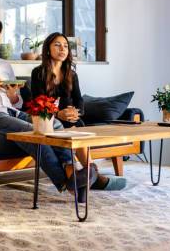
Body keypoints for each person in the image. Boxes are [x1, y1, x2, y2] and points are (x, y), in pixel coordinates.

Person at [0, 15, 96, 199]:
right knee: (34, 132)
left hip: (11, 112)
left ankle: (71, 170)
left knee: (53, 124)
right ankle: (68, 180)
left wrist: (13, 96)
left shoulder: (4, 65)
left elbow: (18, 103)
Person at [31, 32, 126, 191]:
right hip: (49, 121)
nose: (62, 49)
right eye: (57, 45)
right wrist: (58, 113)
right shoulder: (38, 73)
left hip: (72, 119)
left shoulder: (71, 74)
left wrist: (76, 112)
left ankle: (90, 173)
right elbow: (38, 104)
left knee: (77, 127)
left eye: (66, 46)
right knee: (74, 131)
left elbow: (79, 100)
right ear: (47, 49)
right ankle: (94, 174)